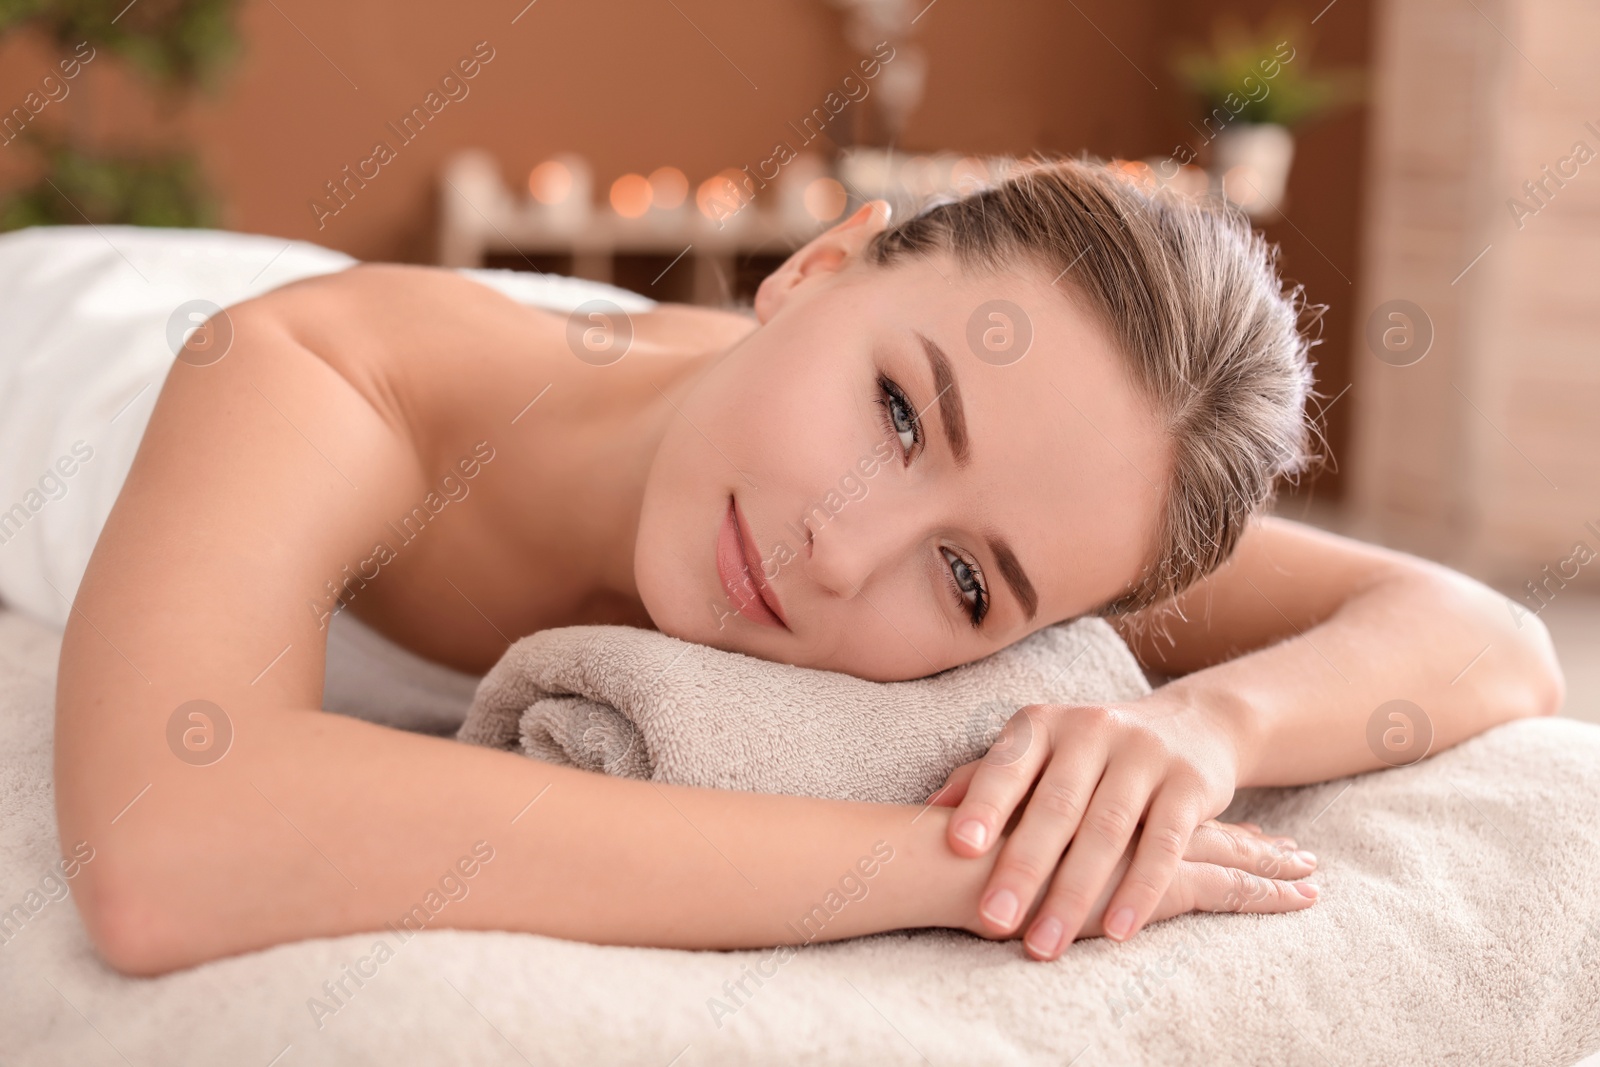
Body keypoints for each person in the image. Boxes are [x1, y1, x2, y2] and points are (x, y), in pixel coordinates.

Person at [46, 159, 1562, 976]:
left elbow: (1484, 635)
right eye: (900, 413)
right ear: (814, 271)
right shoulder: (325, 375)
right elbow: (165, 855)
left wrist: (1198, 731)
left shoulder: (1058, 487)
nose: (840, 547)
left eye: (971, 588)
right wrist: (932, 873)